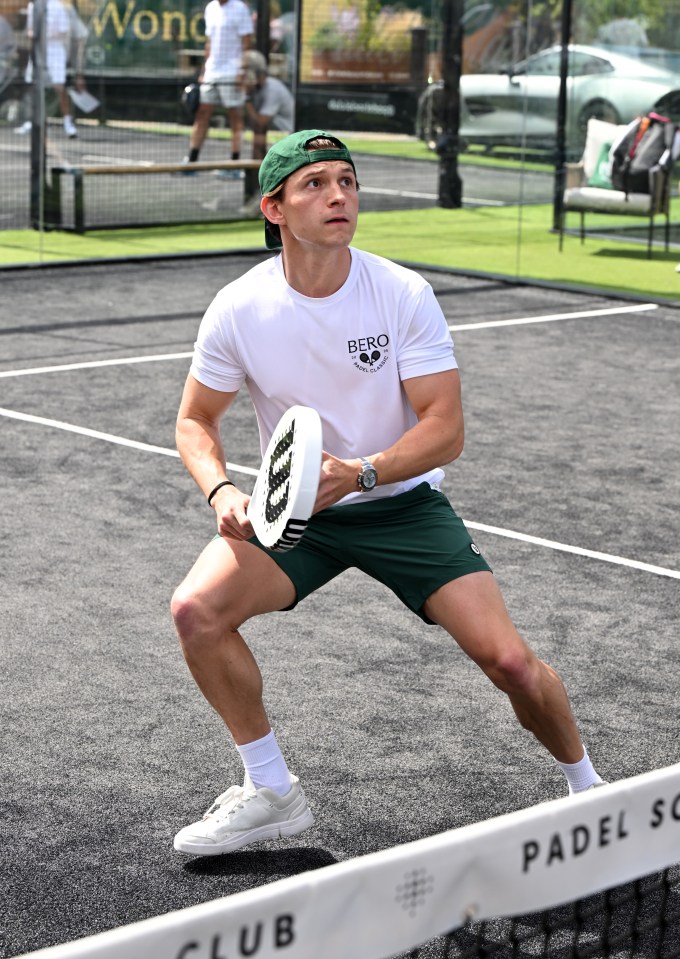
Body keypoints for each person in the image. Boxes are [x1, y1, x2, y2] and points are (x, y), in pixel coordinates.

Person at [171, 129, 605, 857]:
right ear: (273, 207)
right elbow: (194, 420)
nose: (338, 194)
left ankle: (594, 795)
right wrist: (221, 491)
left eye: (346, 180)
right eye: (314, 184)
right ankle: (271, 789)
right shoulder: (239, 307)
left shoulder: (401, 292)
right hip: (299, 512)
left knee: (510, 663)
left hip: (399, 502)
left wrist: (363, 471)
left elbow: (446, 429)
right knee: (196, 610)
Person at [181, 0, 253, 178]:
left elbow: (247, 42)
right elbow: (209, 42)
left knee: (235, 116)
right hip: (212, 72)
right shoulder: (210, 8)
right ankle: (192, 161)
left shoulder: (240, 8)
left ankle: (235, 165)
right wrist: (204, 71)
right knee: (202, 114)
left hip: (232, 72)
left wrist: (242, 71)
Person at [14, 0, 78, 138]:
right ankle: (33, 121)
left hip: (55, 51)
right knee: (33, 86)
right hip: (38, 51)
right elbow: (29, 30)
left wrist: (45, 35)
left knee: (59, 87)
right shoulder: (33, 7)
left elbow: (64, 31)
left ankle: (68, 124)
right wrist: (35, 35)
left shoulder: (58, 6)